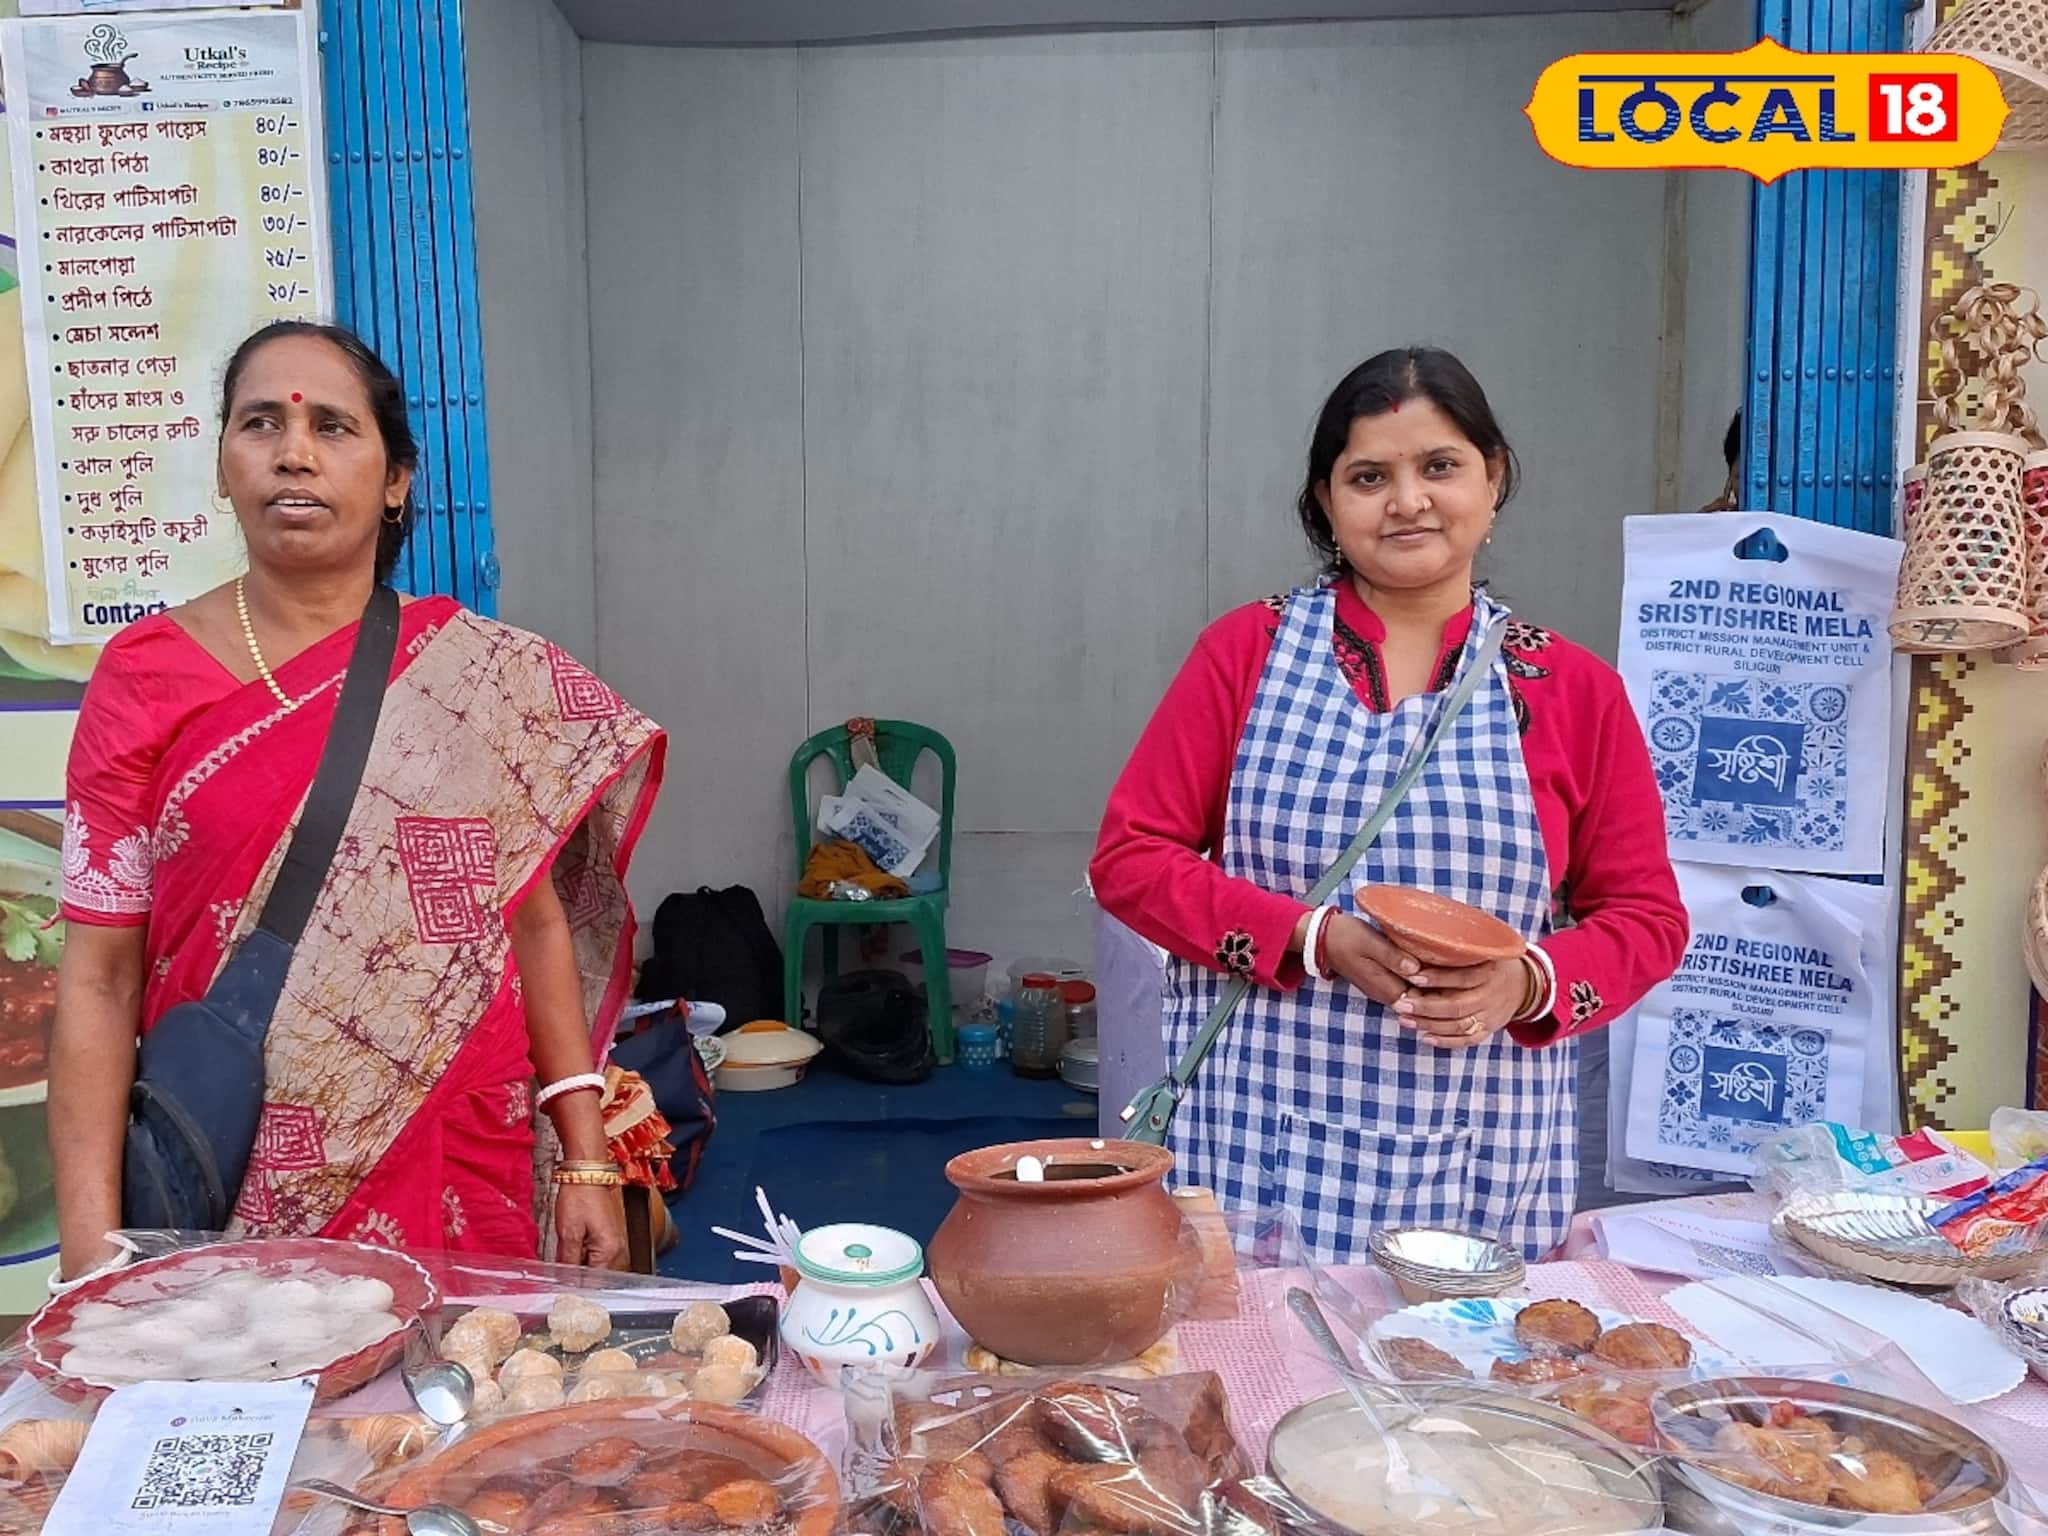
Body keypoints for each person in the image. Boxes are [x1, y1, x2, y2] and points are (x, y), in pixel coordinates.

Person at [50, 322, 666, 1282]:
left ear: (395, 481)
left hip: (455, 1156)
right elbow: (98, 980)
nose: (294, 452)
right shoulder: (143, 677)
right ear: (222, 467)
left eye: (332, 427)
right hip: (235, 1169)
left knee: (466, 1376)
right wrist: (92, 1260)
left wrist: (585, 1154)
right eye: (261, 423)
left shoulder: (479, 677)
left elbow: (536, 923)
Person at [1091, 348, 1686, 1262]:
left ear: (1494, 479)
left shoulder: (1572, 690)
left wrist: (1523, 983)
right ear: (1327, 504)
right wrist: (1315, 939)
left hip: (1481, 1148)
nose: (1408, 501)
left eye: (1439, 466)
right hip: (1252, 1140)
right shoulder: (1245, 652)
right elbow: (1131, 859)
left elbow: (1647, 918)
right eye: (1369, 477)